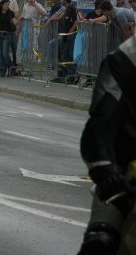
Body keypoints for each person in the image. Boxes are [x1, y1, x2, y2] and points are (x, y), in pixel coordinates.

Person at [75, 34, 136, 255]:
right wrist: (106, 171)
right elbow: (99, 127)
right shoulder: (127, 58)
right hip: (127, 172)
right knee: (99, 240)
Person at [0, 0, 18, 77]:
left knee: (5, 54)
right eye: (6, 4)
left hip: (7, 35)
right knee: (0, 54)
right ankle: (2, 71)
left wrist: (20, 19)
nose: (7, 6)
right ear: (2, 5)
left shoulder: (10, 13)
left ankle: (11, 66)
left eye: (8, 4)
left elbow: (15, 22)